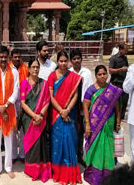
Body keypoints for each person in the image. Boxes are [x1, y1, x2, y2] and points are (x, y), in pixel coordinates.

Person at [83, 65, 122, 185]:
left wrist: (118, 121)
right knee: (95, 148)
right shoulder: (90, 90)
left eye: (104, 74)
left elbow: (117, 108)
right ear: (95, 76)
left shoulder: (112, 89)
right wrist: (88, 125)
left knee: (109, 149)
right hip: (94, 124)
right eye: (99, 74)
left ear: (107, 74)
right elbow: (85, 107)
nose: (102, 76)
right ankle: (94, 175)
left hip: (109, 123)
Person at [47, 51, 82, 185]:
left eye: (64, 61)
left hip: (70, 113)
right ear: (57, 62)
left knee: (70, 140)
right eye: (60, 61)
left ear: (68, 62)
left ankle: (70, 170)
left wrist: (67, 110)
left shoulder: (73, 77)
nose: (62, 64)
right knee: (57, 142)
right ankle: (58, 171)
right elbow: (50, 96)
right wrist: (61, 111)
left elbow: (75, 96)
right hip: (56, 114)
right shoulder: (52, 76)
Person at [0, 45, 19, 180]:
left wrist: (5, 106)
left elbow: (16, 91)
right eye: (1, 57)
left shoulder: (14, 72)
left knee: (9, 140)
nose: (3, 59)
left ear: (8, 57)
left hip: (9, 110)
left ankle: (8, 167)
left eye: (5, 57)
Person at [20, 59, 52, 183]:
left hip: (41, 118)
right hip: (29, 119)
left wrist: (41, 115)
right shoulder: (24, 83)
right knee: (31, 145)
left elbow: (47, 100)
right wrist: (34, 115)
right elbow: (23, 103)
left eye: (37, 67)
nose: (35, 69)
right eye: (33, 67)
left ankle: (42, 169)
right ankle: (31, 170)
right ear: (28, 69)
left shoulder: (44, 83)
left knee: (41, 144)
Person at [69, 49, 94, 167]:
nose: (76, 61)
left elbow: (91, 90)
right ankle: (71, 156)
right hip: (71, 108)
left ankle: (81, 156)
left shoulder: (87, 73)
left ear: (81, 59)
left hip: (84, 107)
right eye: (74, 59)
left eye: (78, 58)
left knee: (82, 133)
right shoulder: (68, 73)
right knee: (72, 132)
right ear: (71, 61)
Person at [9, 48, 28, 163]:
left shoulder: (25, 68)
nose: (17, 59)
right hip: (11, 103)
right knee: (12, 130)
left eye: (18, 57)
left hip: (23, 102)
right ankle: (13, 154)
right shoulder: (7, 67)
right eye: (15, 57)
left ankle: (22, 154)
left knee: (22, 130)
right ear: (11, 57)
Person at [109, 43, 129, 119]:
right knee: (115, 101)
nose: (126, 51)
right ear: (120, 50)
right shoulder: (113, 58)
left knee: (124, 100)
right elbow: (110, 70)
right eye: (125, 50)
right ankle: (115, 116)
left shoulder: (125, 58)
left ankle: (122, 117)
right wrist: (120, 70)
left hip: (124, 82)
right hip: (115, 83)